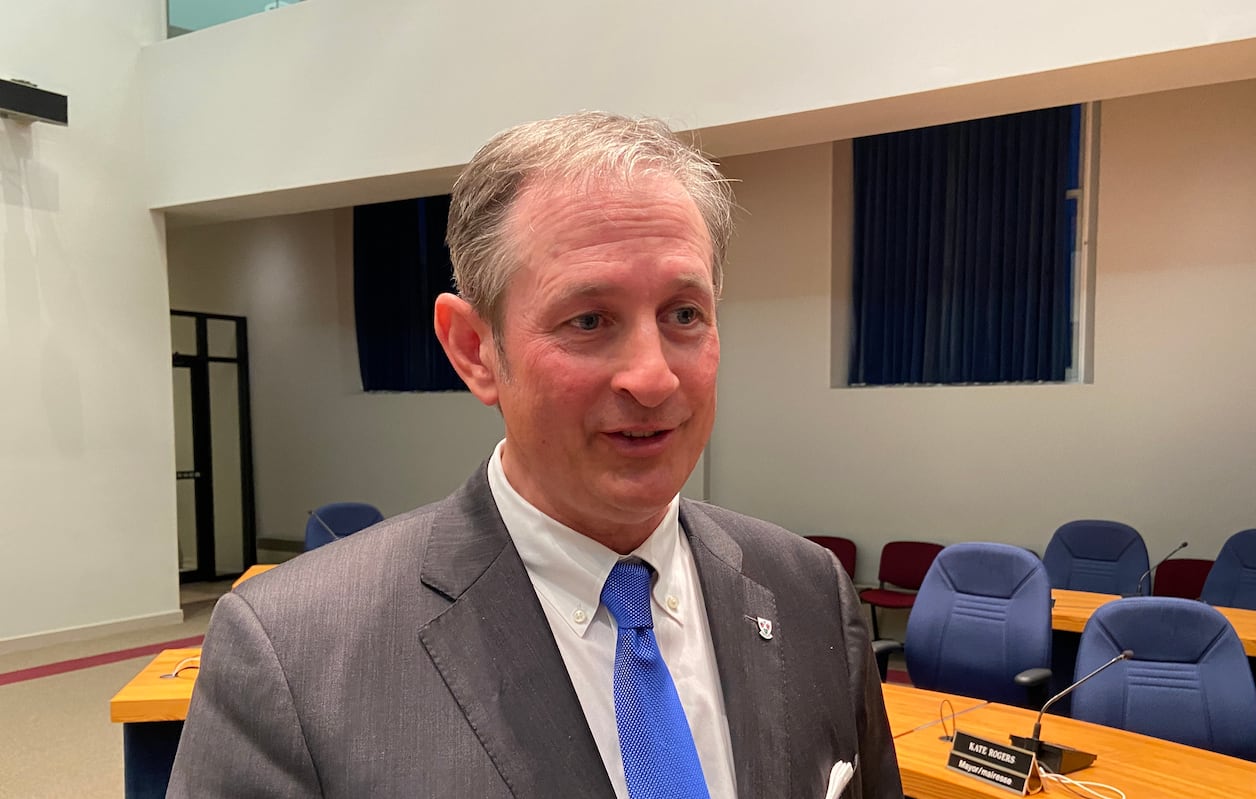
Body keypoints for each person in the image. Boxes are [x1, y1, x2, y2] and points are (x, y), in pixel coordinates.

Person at [167, 112, 901, 798]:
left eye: (684, 313)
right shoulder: (293, 654)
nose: (652, 376)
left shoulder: (809, 593)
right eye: (588, 319)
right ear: (473, 349)